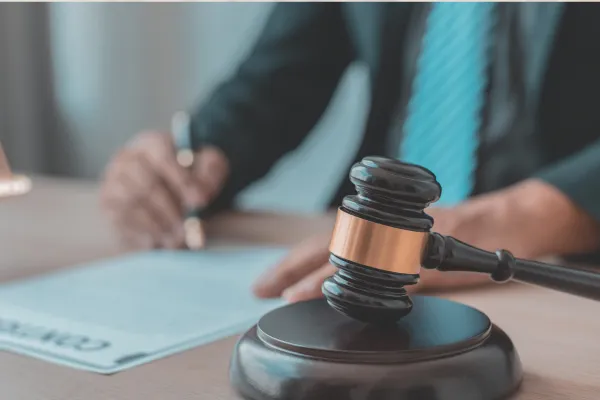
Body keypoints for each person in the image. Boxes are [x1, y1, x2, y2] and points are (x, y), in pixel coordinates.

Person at [100, 3, 600, 303]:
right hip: (354, 257)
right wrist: (188, 165)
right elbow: (276, 79)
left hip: (550, 277)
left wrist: (509, 219)